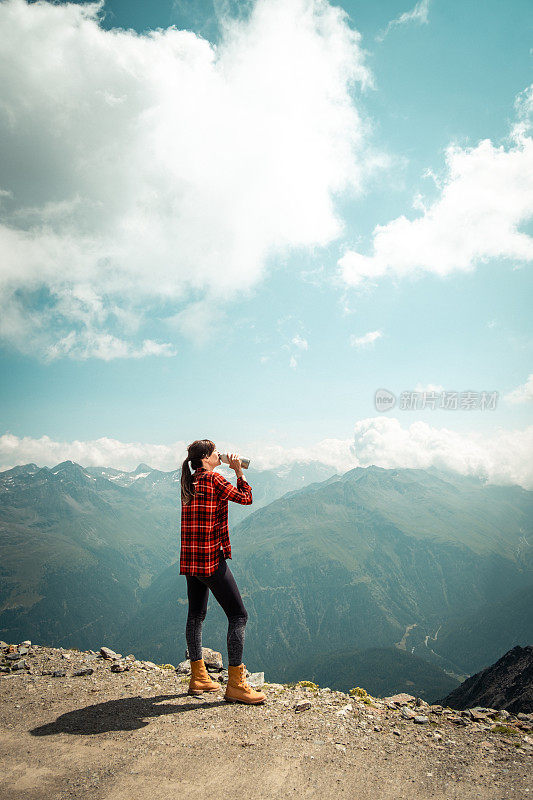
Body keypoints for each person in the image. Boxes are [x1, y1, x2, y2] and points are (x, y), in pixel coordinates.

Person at [180, 439, 266, 704]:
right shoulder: (215, 480)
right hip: (210, 560)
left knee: (195, 615)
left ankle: (199, 677)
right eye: (216, 452)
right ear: (206, 457)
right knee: (238, 616)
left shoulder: (188, 482)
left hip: (191, 560)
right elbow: (246, 498)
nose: (220, 455)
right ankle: (236, 684)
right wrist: (239, 472)